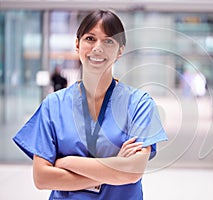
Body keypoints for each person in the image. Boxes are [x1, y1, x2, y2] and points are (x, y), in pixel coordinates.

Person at [13, 10, 167, 200]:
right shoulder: (53, 105)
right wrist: (114, 168)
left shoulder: (139, 104)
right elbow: (42, 178)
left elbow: (133, 172)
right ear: (77, 44)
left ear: (120, 51)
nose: (98, 48)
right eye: (90, 38)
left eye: (109, 41)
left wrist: (67, 162)